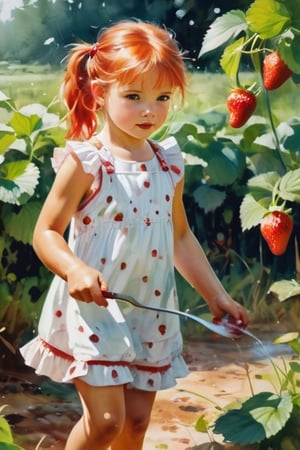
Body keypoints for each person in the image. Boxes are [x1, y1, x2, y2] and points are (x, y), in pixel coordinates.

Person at [20, 20, 248, 450]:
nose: (150, 111)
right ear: (98, 93)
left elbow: (180, 237)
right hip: (96, 309)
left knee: (137, 422)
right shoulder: (87, 161)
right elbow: (45, 232)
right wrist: (74, 269)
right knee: (106, 421)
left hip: (152, 309)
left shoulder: (169, 163)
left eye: (162, 98)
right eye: (133, 97)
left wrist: (217, 296)